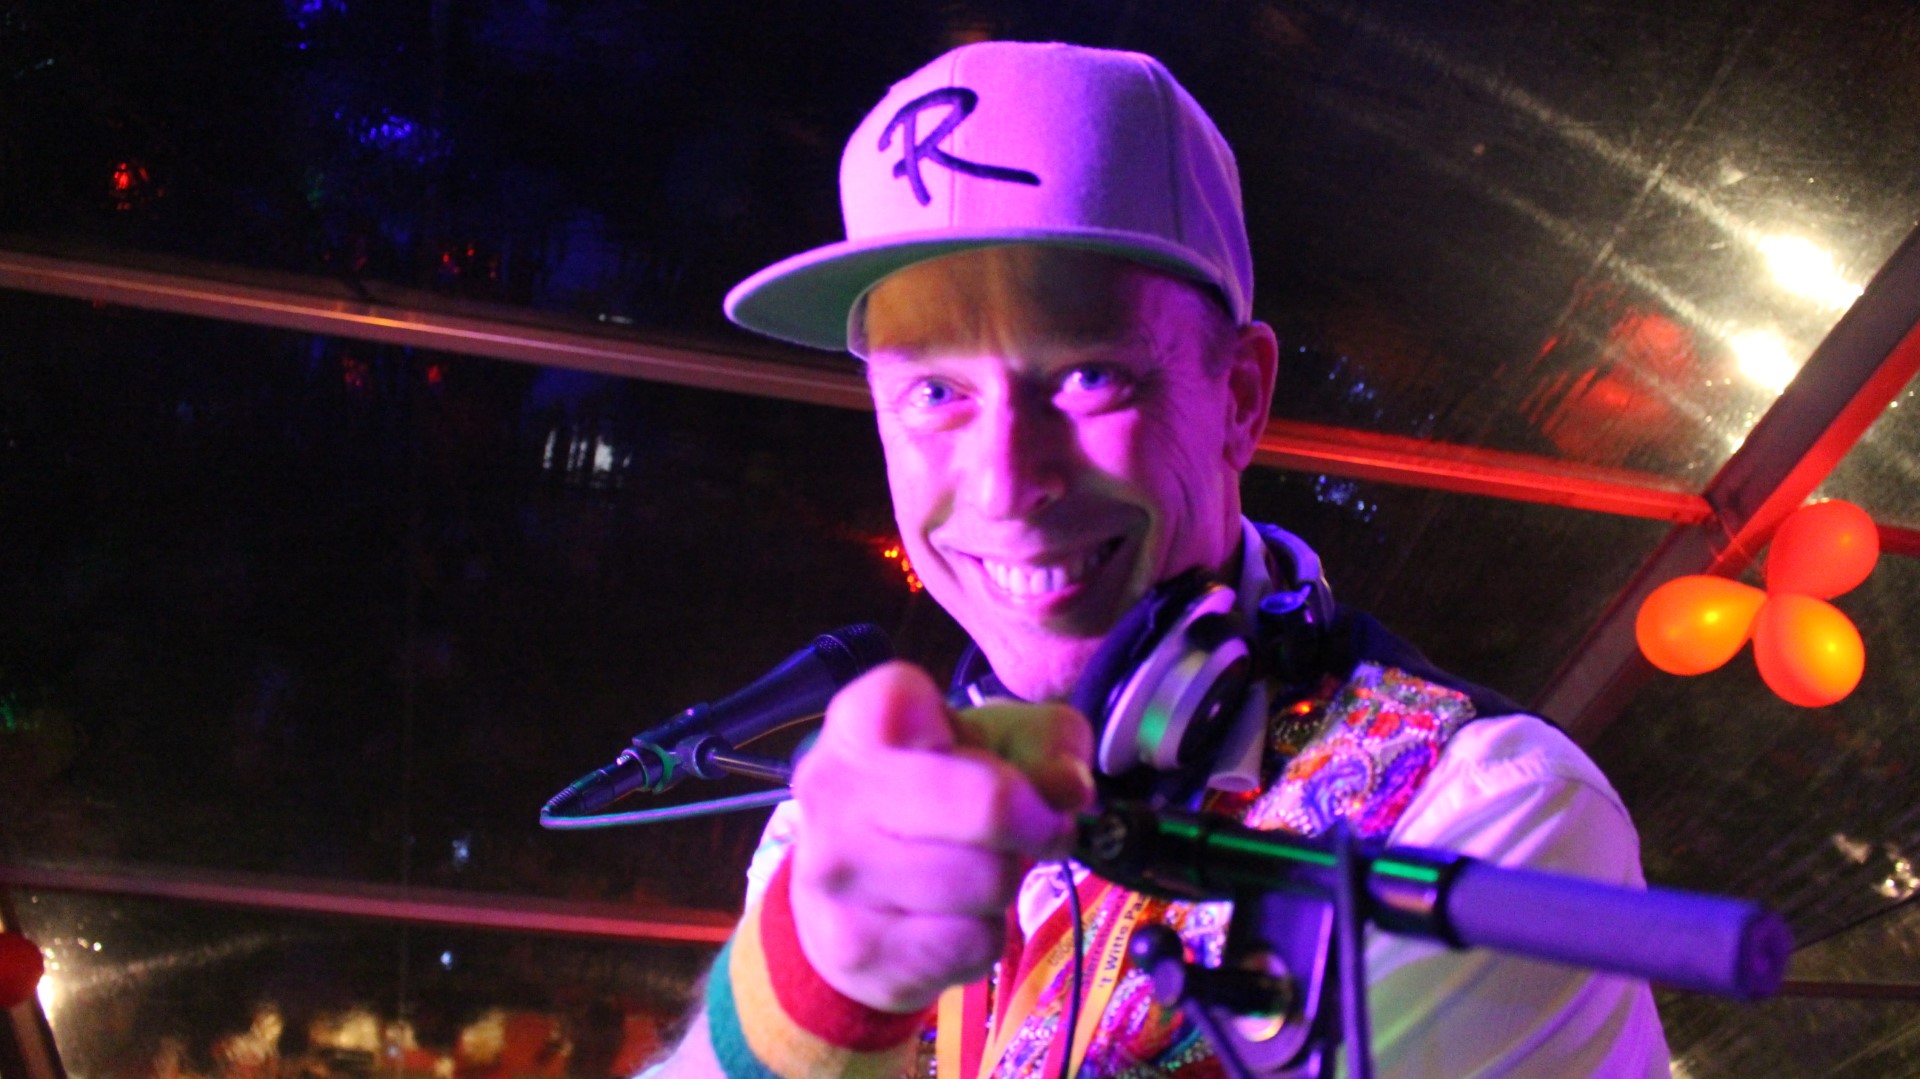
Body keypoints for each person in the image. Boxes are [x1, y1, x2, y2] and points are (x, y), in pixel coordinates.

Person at [653, 40, 1671, 1079]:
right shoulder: (831, 833)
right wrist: (811, 987)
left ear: (1240, 398)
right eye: (934, 391)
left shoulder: (1493, 822)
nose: (1003, 482)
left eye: (1090, 374)